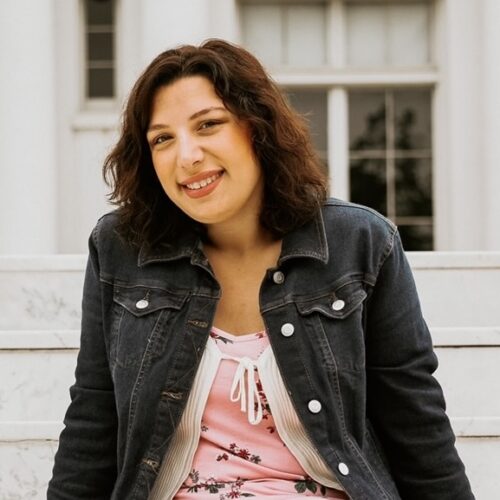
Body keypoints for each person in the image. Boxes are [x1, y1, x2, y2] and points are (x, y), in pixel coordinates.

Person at [47, 39, 474, 500]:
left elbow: (416, 422)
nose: (186, 156)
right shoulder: (122, 250)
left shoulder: (359, 244)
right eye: (162, 138)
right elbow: (93, 418)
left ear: (257, 128)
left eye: (208, 125)